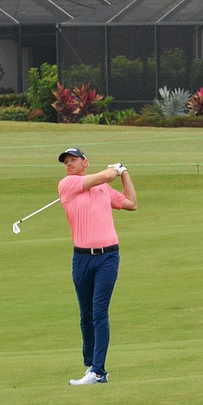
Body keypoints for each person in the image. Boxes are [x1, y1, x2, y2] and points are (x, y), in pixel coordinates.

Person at [58, 148, 138, 385]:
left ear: (85, 162)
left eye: (73, 160)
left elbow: (131, 203)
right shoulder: (68, 184)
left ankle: (99, 370)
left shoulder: (104, 189)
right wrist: (114, 169)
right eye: (66, 162)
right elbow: (104, 176)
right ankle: (90, 366)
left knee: (99, 311)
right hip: (81, 258)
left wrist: (124, 174)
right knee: (86, 314)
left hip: (108, 257)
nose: (68, 164)